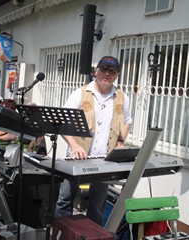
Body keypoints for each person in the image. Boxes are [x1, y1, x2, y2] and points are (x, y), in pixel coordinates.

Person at [55, 56, 133, 225]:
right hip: (76, 158)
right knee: (64, 200)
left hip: (104, 160)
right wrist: (74, 145)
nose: (107, 73)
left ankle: (93, 236)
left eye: (111, 71)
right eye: (104, 69)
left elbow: (127, 122)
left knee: (97, 205)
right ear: (96, 71)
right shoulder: (80, 93)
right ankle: (61, 234)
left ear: (117, 75)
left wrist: (120, 141)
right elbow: (61, 122)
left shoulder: (122, 97)